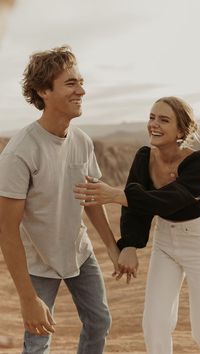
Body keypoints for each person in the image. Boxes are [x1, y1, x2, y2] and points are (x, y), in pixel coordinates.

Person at [74, 96, 200, 354]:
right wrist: (129, 245)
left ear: (181, 130)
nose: (154, 124)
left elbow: (170, 201)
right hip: (165, 243)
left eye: (163, 120)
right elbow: (137, 209)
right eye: (151, 117)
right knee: (154, 325)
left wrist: (116, 194)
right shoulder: (144, 156)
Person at [0, 45, 122, 354]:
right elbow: (6, 230)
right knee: (38, 340)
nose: (81, 90)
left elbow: (91, 198)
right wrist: (28, 299)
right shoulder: (20, 152)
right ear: (43, 91)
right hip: (38, 261)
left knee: (99, 322)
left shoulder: (81, 140)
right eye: (71, 83)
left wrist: (111, 247)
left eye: (80, 82)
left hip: (78, 253)